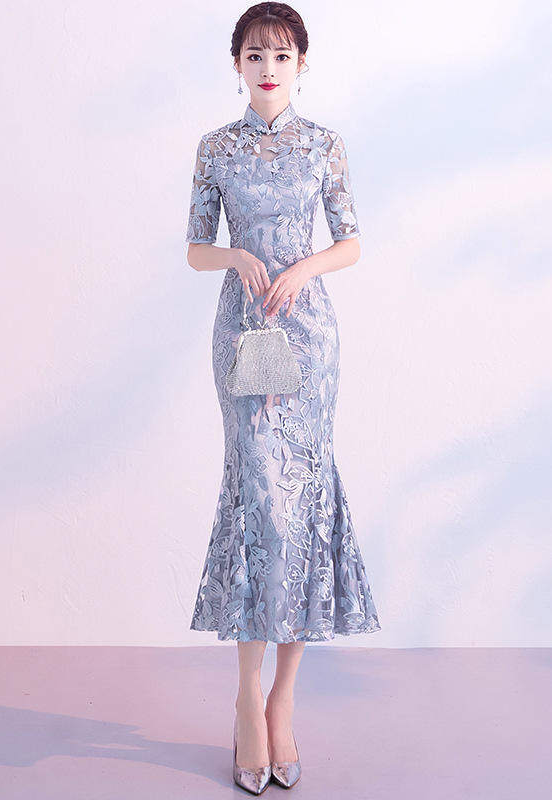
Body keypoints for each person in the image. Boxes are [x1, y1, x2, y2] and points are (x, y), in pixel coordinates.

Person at [185, 2, 381, 794]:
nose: (269, 67)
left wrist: (305, 267)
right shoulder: (215, 147)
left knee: (301, 511)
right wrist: (235, 257)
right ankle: (244, 700)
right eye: (255, 54)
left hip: (308, 341)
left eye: (282, 55)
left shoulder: (324, 144)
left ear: (302, 65)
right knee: (258, 506)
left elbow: (352, 242)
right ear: (237, 64)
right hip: (243, 339)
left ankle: (283, 703)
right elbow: (194, 249)